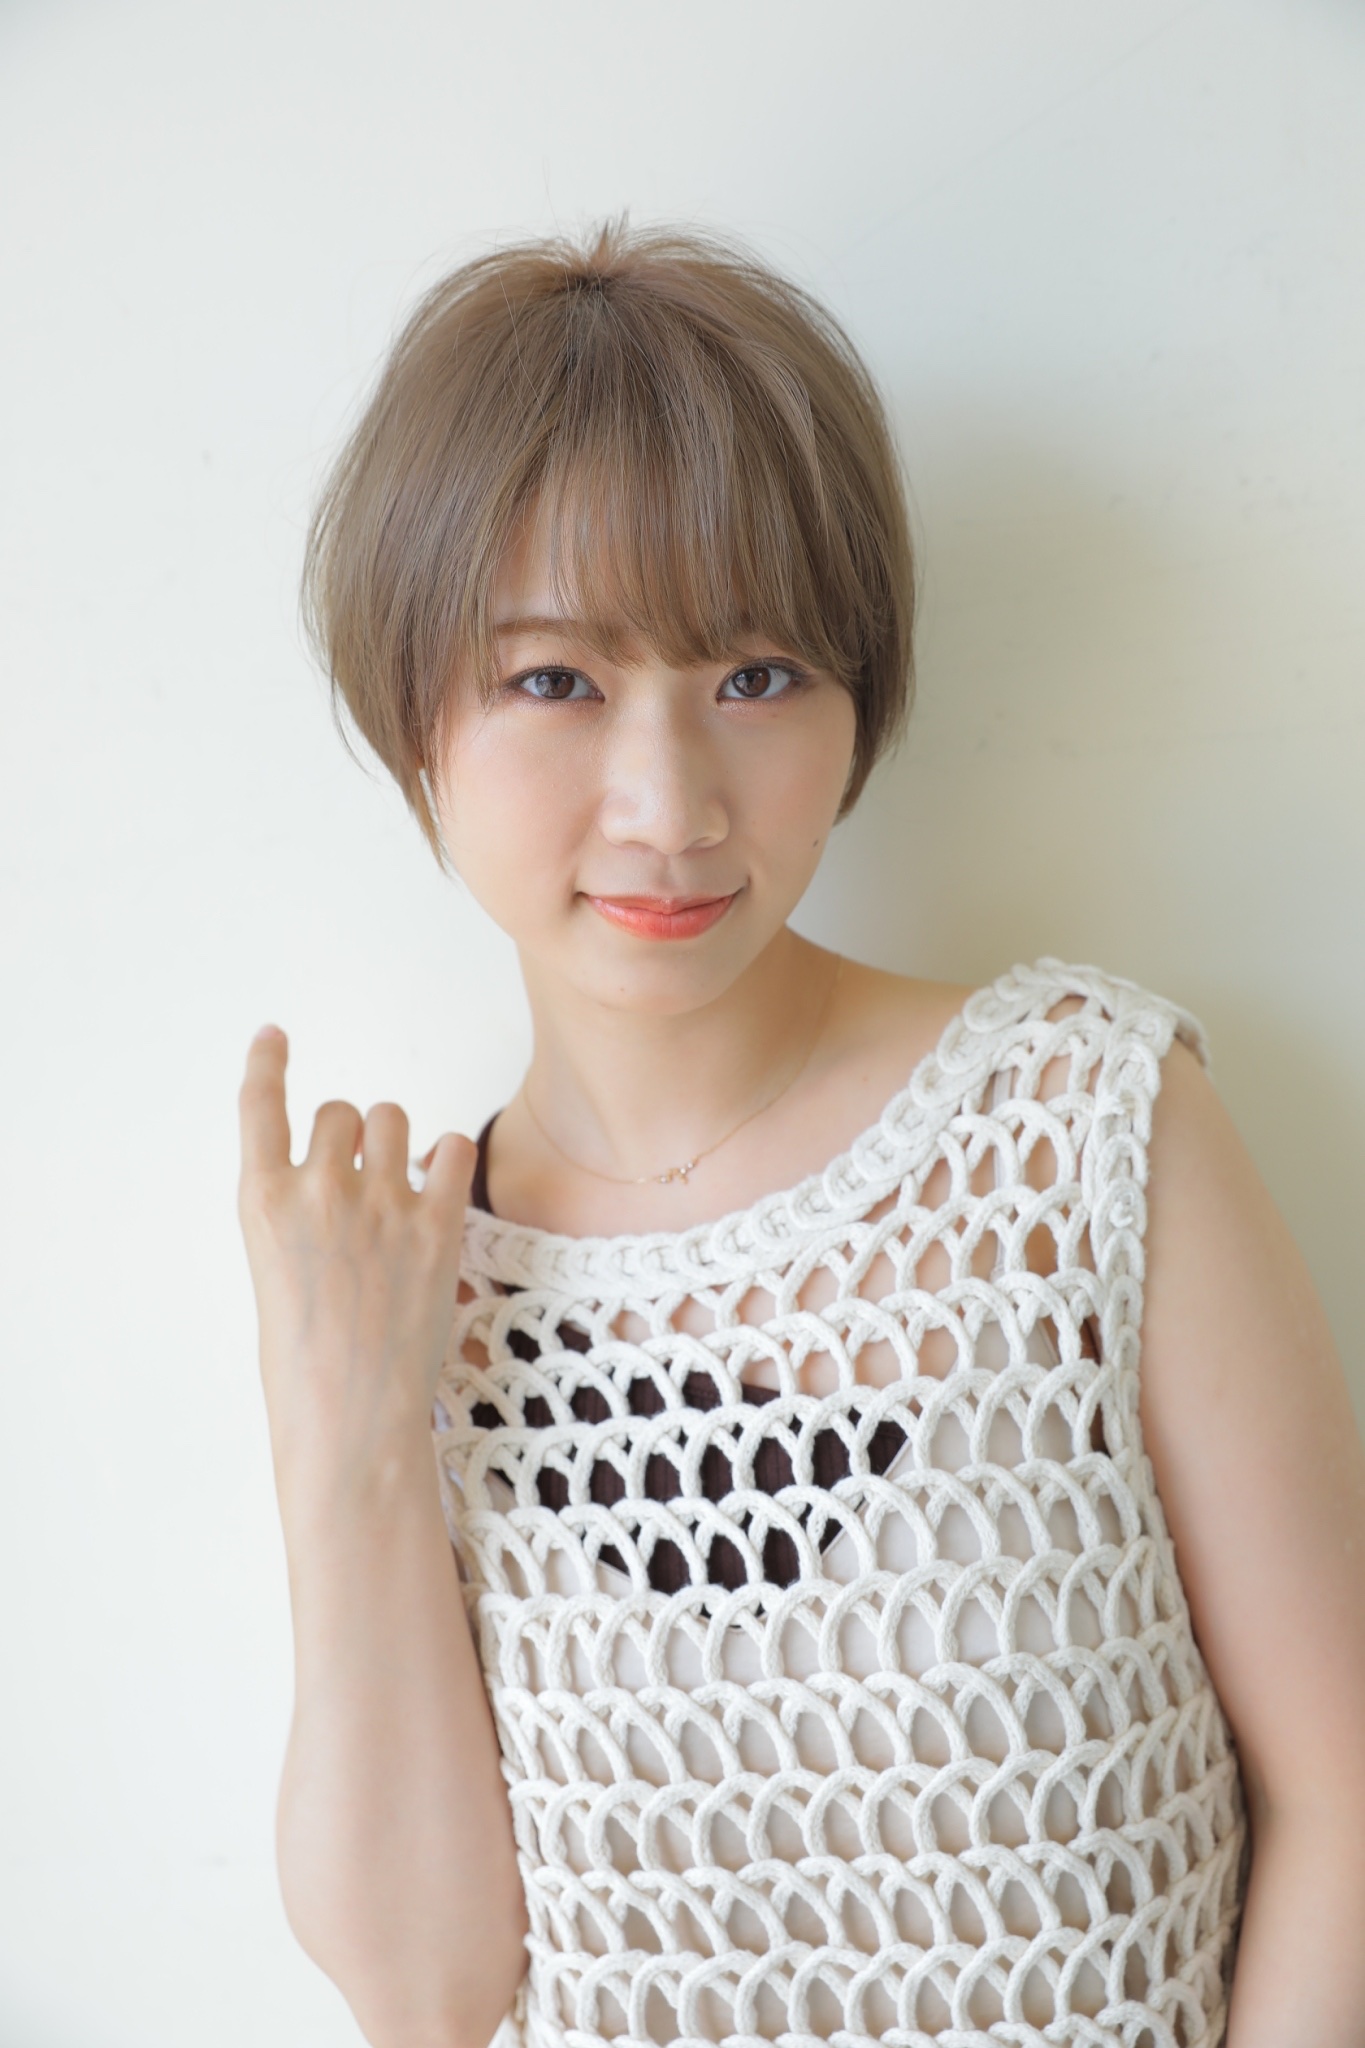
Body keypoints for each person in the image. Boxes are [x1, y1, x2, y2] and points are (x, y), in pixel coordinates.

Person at [236, 222, 1365, 2048]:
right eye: (554, 681)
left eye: (755, 675)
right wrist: (341, 1436)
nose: (669, 803)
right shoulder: (408, 1292)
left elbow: (1341, 1794)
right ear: (413, 716)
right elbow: (425, 1998)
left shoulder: (1079, 1127)